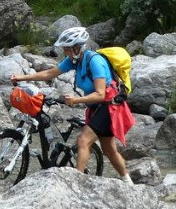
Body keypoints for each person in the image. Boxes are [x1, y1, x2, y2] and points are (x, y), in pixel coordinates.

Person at [11, 26, 133, 185]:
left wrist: (75, 100)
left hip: (109, 107)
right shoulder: (75, 61)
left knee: (83, 141)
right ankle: (128, 183)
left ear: (78, 48)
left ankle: (76, 185)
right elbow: (50, 73)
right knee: (109, 150)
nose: (65, 52)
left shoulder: (95, 61)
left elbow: (100, 94)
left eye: (67, 49)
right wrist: (21, 78)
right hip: (97, 107)